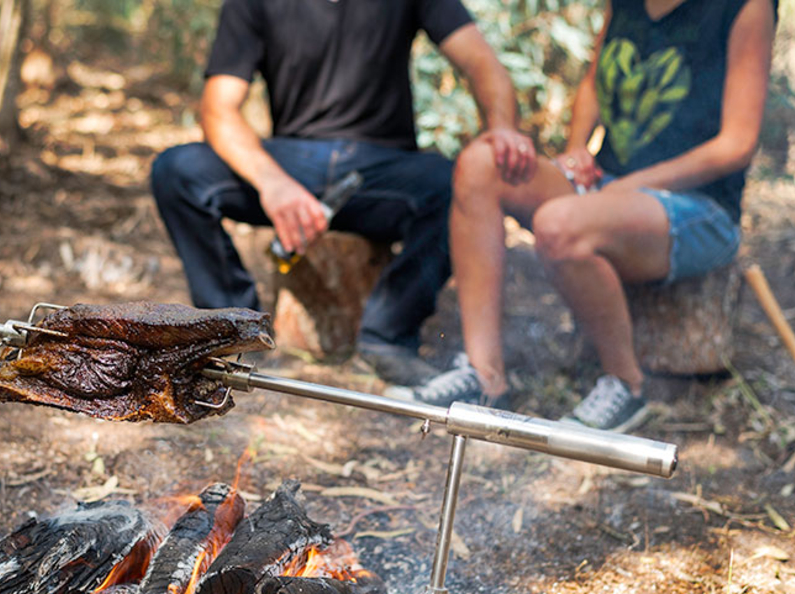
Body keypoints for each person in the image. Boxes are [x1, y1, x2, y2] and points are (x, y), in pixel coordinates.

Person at [389, 0, 778, 432]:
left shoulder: (746, 7)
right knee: (481, 165)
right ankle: (484, 375)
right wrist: (577, 148)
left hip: (699, 208)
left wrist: (634, 184)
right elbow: (594, 81)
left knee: (560, 224)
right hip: (610, 186)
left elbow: (737, 144)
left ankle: (626, 385)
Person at [150, 0, 537, 387]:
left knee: (463, 186)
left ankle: (389, 334)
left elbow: (482, 63)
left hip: (385, 172)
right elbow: (218, 110)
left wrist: (503, 127)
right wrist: (273, 183)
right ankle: (234, 331)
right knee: (176, 171)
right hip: (290, 163)